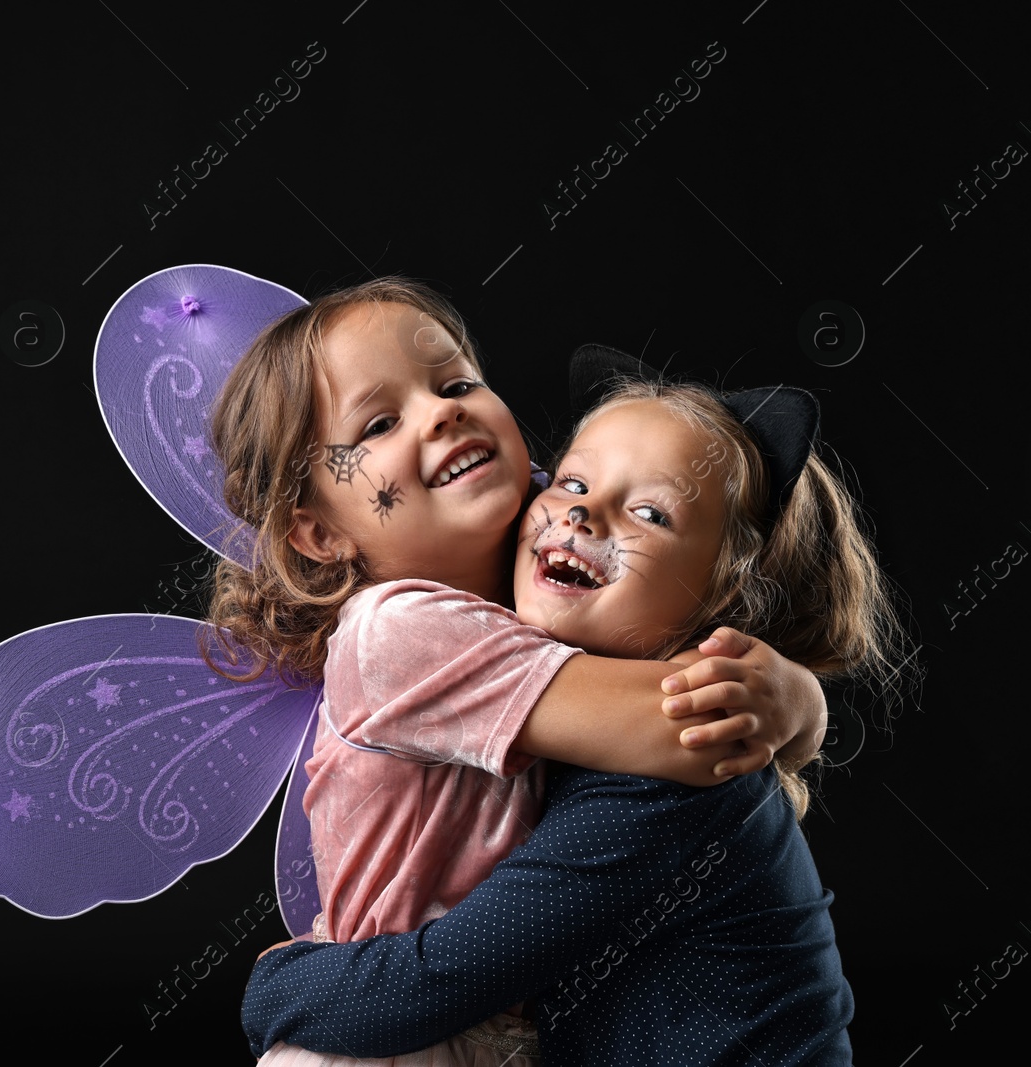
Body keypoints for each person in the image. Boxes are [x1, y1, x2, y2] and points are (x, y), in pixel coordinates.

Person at [199, 277, 831, 1065]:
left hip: (455, 1019)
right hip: (384, 1037)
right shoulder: (400, 628)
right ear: (320, 533)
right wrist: (800, 705)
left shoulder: (533, 561)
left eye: (457, 382)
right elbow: (686, 719)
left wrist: (796, 697)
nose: (443, 411)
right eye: (382, 421)